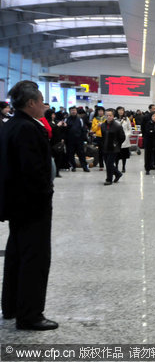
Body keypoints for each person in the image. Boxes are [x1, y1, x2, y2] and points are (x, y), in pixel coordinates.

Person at [0, 80, 58, 330]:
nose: (45, 105)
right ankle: (30, 314)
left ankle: (11, 306)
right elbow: (33, 172)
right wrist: (46, 194)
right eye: (42, 100)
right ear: (32, 103)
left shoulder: (10, 125)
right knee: (34, 258)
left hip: (15, 204)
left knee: (16, 254)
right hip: (32, 206)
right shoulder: (28, 129)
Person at [100, 109, 125, 185]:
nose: (108, 117)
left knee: (109, 164)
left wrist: (117, 144)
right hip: (105, 147)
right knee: (108, 164)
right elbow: (103, 136)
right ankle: (118, 174)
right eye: (107, 115)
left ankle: (109, 179)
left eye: (110, 115)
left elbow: (122, 137)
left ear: (113, 116)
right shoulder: (103, 125)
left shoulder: (117, 125)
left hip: (113, 148)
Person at [65, 106, 90, 172]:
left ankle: (85, 167)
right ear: (70, 111)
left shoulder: (80, 119)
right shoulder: (66, 120)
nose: (73, 111)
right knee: (71, 154)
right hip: (70, 141)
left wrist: (84, 138)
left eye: (74, 110)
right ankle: (73, 166)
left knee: (81, 154)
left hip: (79, 140)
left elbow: (83, 129)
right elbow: (64, 130)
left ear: (76, 111)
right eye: (72, 110)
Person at [115, 106, 132, 173]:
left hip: (125, 139)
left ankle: (123, 167)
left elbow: (129, 128)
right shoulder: (114, 118)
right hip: (117, 139)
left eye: (122, 110)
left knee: (124, 155)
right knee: (116, 155)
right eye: (119, 110)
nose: (121, 111)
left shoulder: (126, 119)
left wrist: (127, 135)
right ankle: (116, 166)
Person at [91, 106, 106, 171]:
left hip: (106, 136)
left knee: (106, 151)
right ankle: (101, 165)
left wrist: (103, 125)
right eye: (99, 111)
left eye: (101, 111)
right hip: (99, 137)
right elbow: (93, 129)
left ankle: (108, 164)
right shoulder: (95, 119)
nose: (100, 112)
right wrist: (98, 125)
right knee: (100, 152)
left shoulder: (106, 118)